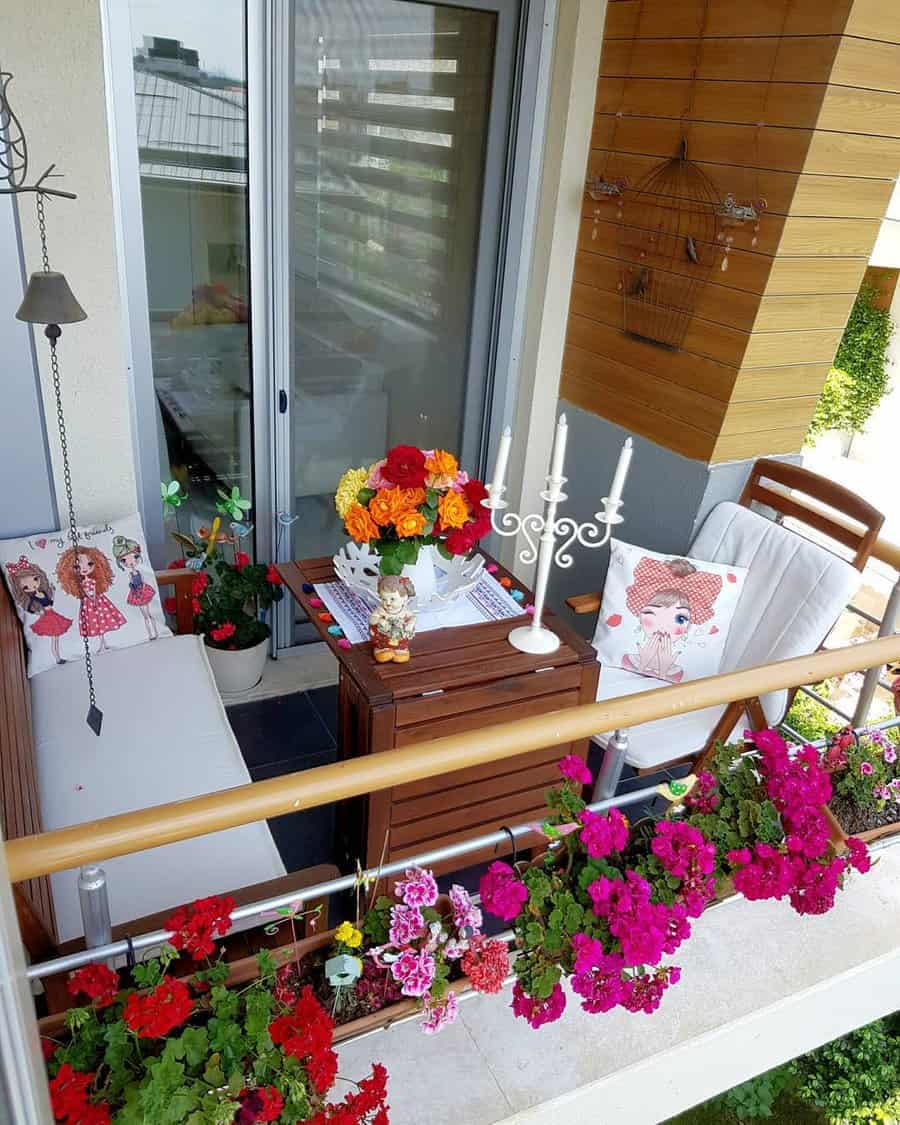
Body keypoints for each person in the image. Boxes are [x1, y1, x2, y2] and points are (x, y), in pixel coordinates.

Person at [622, 557, 721, 683]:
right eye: (651, 613)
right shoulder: (628, 659)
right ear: (640, 615)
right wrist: (643, 664)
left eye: (680, 619)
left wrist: (663, 669)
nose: (663, 625)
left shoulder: (677, 671)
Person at [56, 546, 126, 654]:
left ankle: (104, 643)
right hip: (89, 604)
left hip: (98, 601)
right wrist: (91, 598)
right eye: (77, 566)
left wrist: (93, 597)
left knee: (102, 620)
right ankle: (101, 644)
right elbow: (88, 592)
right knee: (96, 622)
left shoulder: (93, 581)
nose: (84, 568)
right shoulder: (81, 583)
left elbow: (92, 590)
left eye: (89, 564)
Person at [5, 556, 72, 664]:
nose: (33, 585)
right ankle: (57, 658)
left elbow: (50, 603)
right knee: (54, 638)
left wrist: (53, 593)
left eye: (35, 579)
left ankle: (58, 657)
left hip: (53, 614)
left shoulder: (43, 593)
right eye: (26, 587)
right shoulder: (32, 598)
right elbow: (28, 608)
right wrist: (38, 612)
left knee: (56, 638)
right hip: (47, 617)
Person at [112, 535, 159, 641]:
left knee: (149, 614)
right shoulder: (130, 575)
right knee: (145, 615)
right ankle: (151, 634)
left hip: (143, 591)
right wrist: (134, 589)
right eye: (124, 560)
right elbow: (131, 583)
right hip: (137, 593)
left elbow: (141, 581)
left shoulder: (139, 572)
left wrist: (140, 588)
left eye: (135, 557)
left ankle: (155, 632)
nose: (131, 562)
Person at [369, 575, 416, 663]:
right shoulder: (381, 610)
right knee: (381, 640)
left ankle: (401, 650)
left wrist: (410, 623)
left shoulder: (404, 611)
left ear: (404, 598)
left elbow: (413, 617)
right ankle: (381, 649)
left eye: (392, 599)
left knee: (402, 641)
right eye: (384, 599)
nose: (388, 603)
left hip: (400, 637)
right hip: (382, 638)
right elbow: (372, 619)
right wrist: (379, 620)